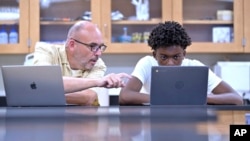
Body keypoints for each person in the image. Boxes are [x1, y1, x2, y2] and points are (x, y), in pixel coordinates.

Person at [119, 21, 243, 105]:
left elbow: (237, 99)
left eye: (176, 57)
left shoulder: (195, 67)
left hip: (190, 124)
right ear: (154, 55)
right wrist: (169, 99)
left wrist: (199, 98)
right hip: (156, 122)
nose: (170, 63)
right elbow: (125, 96)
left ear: (184, 54)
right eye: (163, 57)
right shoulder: (147, 63)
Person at [33, 21, 131, 106]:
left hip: (83, 123)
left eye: (100, 47)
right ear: (72, 45)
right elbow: (44, 82)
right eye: (93, 46)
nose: (99, 53)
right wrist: (97, 82)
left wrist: (45, 93)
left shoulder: (98, 64)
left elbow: (87, 98)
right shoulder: (46, 50)